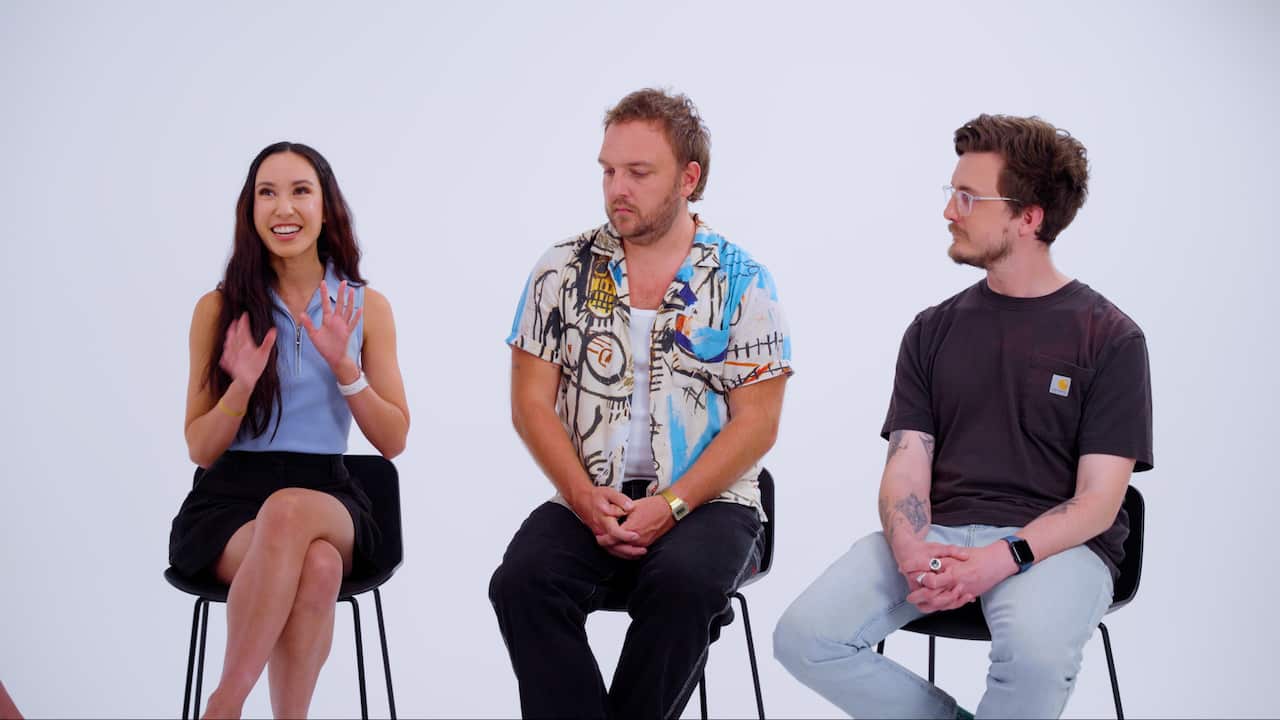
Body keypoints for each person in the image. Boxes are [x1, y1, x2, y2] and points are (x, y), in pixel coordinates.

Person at [774, 114, 1154, 719]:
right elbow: (906, 464)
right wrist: (909, 548)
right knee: (804, 637)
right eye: (951, 193)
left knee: (1032, 658)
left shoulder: (1109, 337)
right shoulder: (932, 329)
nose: (949, 211)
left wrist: (1000, 558)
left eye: (968, 197)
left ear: (1029, 217)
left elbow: (1099, 502)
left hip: (1052, 551)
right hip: (937, 537)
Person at [488, 88, 793, 719]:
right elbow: (530, 403)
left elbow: (758, 424)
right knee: (520, 583)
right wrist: (580, 496)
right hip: (589, 494)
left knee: (683, 586)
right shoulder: (559, 271)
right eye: (608, 170)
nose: (616, 187)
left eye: (638, 172)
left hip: (711, 502)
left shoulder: (743, 279)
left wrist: (672, 504)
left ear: (688, 178)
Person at [168, 142, 410, 719]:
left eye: (300, 191)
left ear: (326, 208)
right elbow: (199, 448)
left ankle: (224, 706)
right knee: (319, 566)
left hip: (326, 493)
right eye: (267, 193)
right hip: (228, 502)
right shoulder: (218, 308)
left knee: (290, 510)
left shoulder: (364, 307)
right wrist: (241, 386)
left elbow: (394, 439)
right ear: (250, 212)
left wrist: (345, 368)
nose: (284, 207)